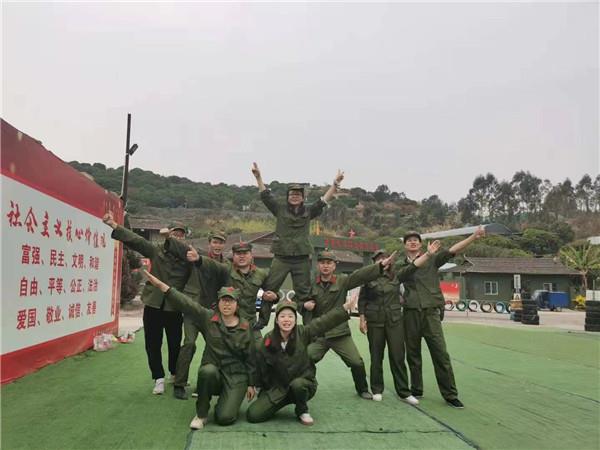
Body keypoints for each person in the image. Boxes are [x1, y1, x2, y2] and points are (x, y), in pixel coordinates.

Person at [144, 271, 256, 430]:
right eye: (223, 301)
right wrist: (163, 287)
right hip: (214, 371)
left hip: (236, 376)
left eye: (231, 301)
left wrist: (251, 383)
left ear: (237, 304)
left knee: (225, 418)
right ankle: (201, 414)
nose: (227, 304)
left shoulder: (245, 327)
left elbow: (251, 357)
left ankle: (227, 399)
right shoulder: (208, 318)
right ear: (218, 303)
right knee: (207, 371)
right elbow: (186, 303)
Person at [103, 212, 190, 395]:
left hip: (174, 307)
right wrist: (114, 225)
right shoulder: (156, 250)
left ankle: (174, 373)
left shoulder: (188, 257)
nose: (178, 237)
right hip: (153, 304)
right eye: (175, 233)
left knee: (175, 343)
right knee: (153, 343)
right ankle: (158, 377)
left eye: (181, 234)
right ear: (168, 235)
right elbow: (136, 240)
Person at [399, 227, 485, 409]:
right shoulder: (401, 265)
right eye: (409, 240)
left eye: (416, 240)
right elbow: (403, 275)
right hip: (410, 312)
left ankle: (450, 394)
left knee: (440, 354)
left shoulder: (434, 260)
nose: (413, 242)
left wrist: (473, 237)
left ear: (420, 244)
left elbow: (454, 249)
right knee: (413, 355)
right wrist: (427, 255)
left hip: (430, 312)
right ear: (405, 245)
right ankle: (416, 389)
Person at [251, 162, 344, 329]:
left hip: (301, 258)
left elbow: (323, 201)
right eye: (292, 194)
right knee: (269, 289)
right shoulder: (279, 209)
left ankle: (309, 325)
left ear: (303, 198)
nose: (294, 196)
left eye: (298, 194)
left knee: (305, 294)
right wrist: (258, 177)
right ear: (288, 197)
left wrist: (335, 185)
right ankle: (263, 320)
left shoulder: (308, 211)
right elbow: (265, 195)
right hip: (281, 257)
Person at [247, 296, 359, 426]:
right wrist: (254, 385)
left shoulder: (304, 332)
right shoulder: (269, 339)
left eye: (290, 316)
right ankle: (280, 400)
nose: (286, 320)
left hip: (302, 383)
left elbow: (323, 322)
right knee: (253, 415)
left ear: (295, 319)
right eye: (282, 316)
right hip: (279, 387)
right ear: (276, 320)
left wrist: (344, 309)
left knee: (298, 385)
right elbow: (259, 364)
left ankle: (302, 409)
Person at [304, 250, 397, 400]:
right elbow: (297, 301)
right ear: (318, 265)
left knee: (356, 362)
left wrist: (380, 266)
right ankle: (306, 385)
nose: (325, 266)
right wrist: (304, 305)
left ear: (334, 266)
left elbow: (360, 275)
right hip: (319, 334)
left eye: (329, 263)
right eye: (322, 263)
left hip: (339, 333)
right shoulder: (311, 283)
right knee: (305, 358)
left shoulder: (343, 281)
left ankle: (362, 389)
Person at [358, 241, 441, 404]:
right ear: (374, 262)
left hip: (395, 321)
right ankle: (376, 389)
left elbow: (413, 267)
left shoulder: (398, 276)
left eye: (386, 258)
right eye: (378, 259)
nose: (383, 261)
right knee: (376, 356)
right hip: (375, 321)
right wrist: (362, 320)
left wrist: (429, 254)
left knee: (397, 356)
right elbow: (362, 300)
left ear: (391, 260)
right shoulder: (368, 278)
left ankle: (404, 391)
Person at [167, 235, 231, 399]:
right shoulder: (195, 254)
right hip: (192, 309)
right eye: (215, 242)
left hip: (213, 312)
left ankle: (205, 383)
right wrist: (168, 237)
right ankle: (179, 384)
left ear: (224, 245)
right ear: (209, 243)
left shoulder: (226, 265)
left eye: (221, 243)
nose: (217, 245)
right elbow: (182, 249)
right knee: (189, 343)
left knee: (215, 346)